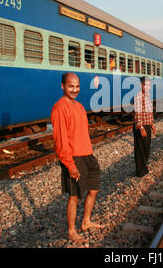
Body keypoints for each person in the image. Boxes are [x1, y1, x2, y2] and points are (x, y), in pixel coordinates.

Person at [51, 72, 105, 243]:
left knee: (94, 189)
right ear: (62, 86)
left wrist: (90, 153)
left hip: (87, 155)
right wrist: (70, 164)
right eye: (70, 86)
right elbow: (61, 139)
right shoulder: (60, 108)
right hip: (74, 158)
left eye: (77, 86)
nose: (74, 90)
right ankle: (71, 230)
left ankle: (86, 221)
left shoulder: (79, 106)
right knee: (74, 196)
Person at [133, 76, 156, 177]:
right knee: (140, 149)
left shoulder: (147, 96)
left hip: (147, 125)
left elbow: (148, 112)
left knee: (146, 149)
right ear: (140, 85)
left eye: (149, 85)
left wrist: (152, 124)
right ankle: (139, 171)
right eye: (145, 84)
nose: (147, 87)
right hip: (140, 126)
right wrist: (141, 128)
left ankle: (144, 167)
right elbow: (138, 113)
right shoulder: (138, 96)